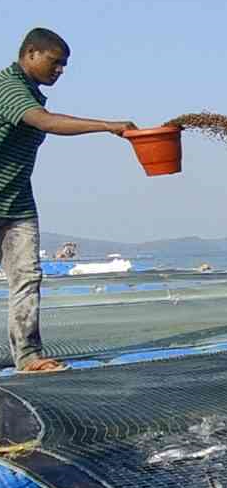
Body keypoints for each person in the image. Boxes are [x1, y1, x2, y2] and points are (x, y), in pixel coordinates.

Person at [0, 28, 136, 373]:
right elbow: (45, 122)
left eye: (64, 65)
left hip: (17, 203)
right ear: (30, 53)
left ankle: (29, 357)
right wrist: (107, 125)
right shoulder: (9, 87)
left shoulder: (29, 90)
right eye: (55, 62)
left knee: (27, 277)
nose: (60, 70)